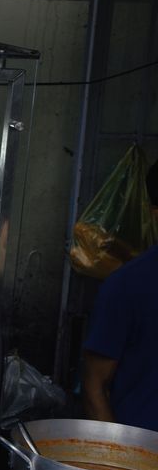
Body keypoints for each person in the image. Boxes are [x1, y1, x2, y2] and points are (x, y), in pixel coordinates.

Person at [83, 156, 158, 432]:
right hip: (145, 463)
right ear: (155, 214)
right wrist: (119, 463)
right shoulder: (127, 286)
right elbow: (94, 388)